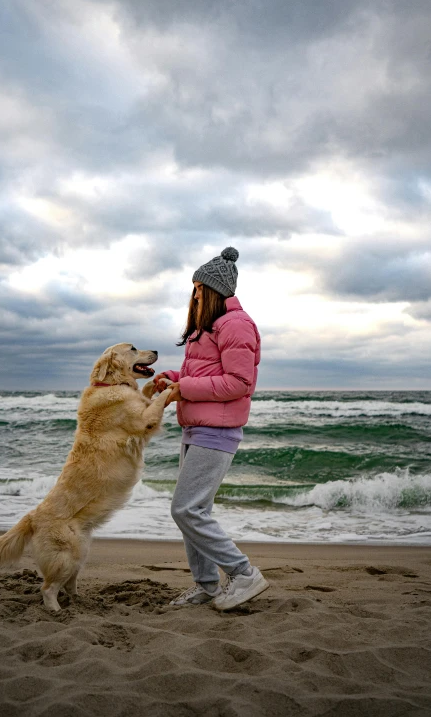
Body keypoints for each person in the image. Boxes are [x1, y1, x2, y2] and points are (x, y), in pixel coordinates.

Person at [154, 247, 269, 610]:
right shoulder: (210, 328)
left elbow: (238, 382)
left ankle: (244, 573)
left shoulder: (236, 324)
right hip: (195, 429)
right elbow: (204, 374)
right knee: (194, 511)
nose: (195, 295)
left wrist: (182, 388)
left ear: (214, 290)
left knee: (186, 510)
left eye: (199, 288)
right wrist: (173, 378)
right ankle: (206, 587)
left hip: (216, 433)